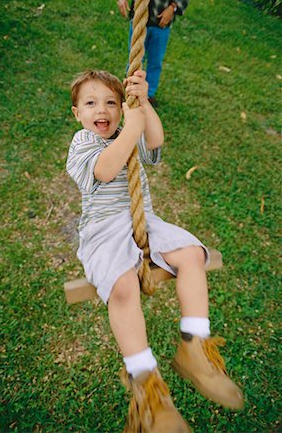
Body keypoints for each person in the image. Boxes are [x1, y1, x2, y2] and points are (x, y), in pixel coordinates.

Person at [66, 69, 244, 432]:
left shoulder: (125, 131)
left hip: (145, 223)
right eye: (91, 103)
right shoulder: (82, 142)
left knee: (193, 254)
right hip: (104, 232)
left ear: (122, 107)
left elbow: (156, 141)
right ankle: (148, 389)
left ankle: (196, 349)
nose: (103, 109)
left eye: (112, 102)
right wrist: (131, 127)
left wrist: (143, 104)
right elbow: (104, 170)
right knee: (123, 287)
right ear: (77, 113)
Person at [116, 0, 191, 107]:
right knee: (135, 58)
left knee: (155, 61)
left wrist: (172, 7)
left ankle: (149, 95)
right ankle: (130, 89)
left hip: (161, 25)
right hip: (138, 22)